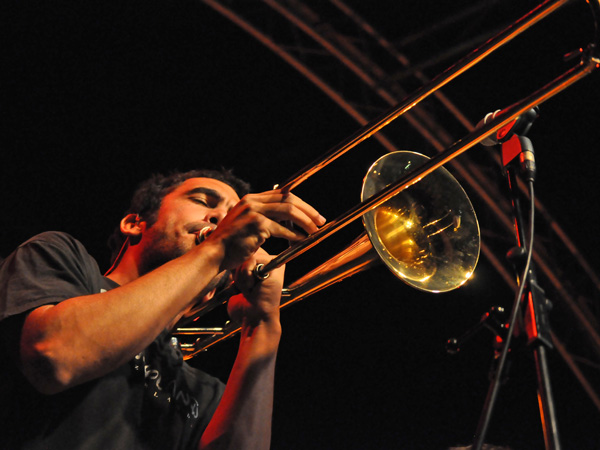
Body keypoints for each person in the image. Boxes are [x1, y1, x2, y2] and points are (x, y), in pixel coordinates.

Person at [0, 168, 326, 450]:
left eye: (231, 215)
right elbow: (53, 357)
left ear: (213, 291)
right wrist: (218, 248)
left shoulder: (205, 392)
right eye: (204, 201)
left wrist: (263, 323)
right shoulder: (62, 257)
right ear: (134, 223)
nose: (223, 219)